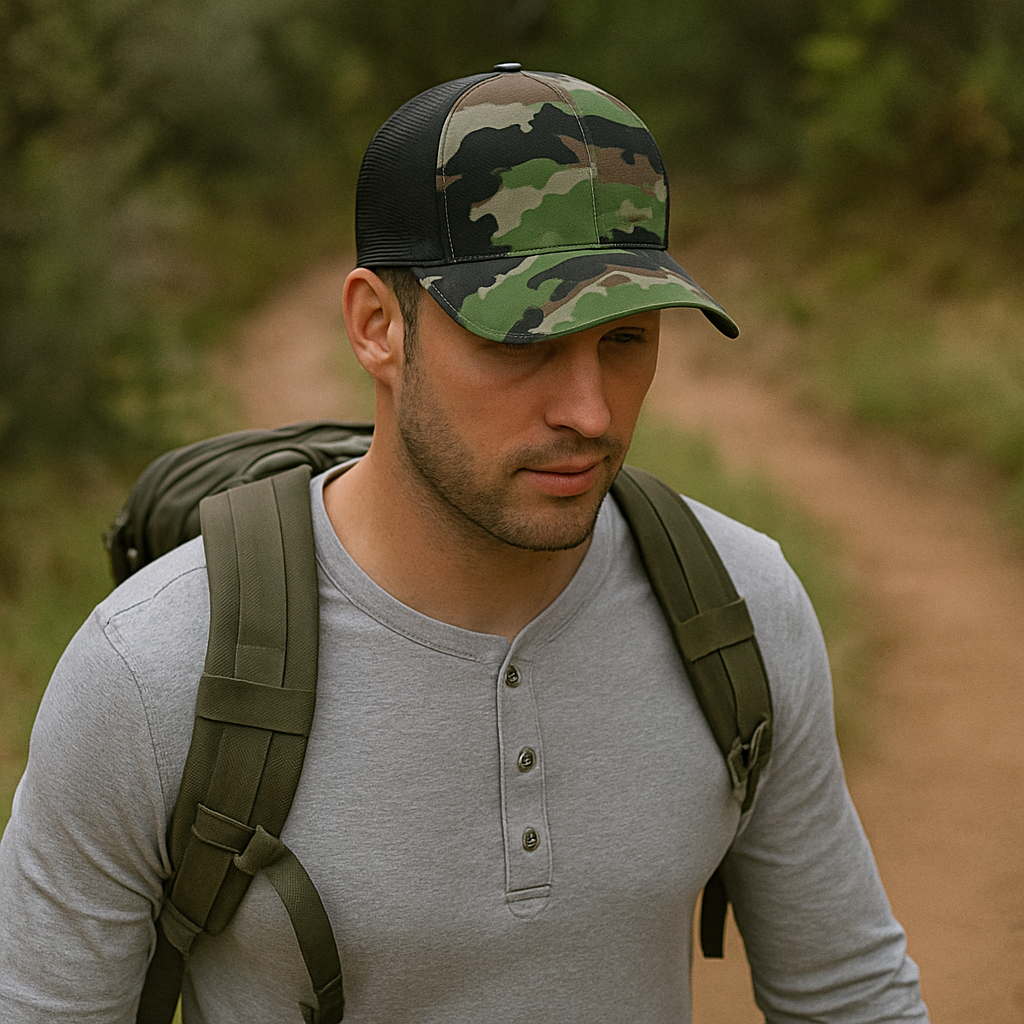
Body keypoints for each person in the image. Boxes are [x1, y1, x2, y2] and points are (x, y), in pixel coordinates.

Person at [0, 65, 928, 1022]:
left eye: (625, 339)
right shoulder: (153, 671)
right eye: (522, 341)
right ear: (376, 328)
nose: (589, 412)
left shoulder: (736, 608)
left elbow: (850, 996)